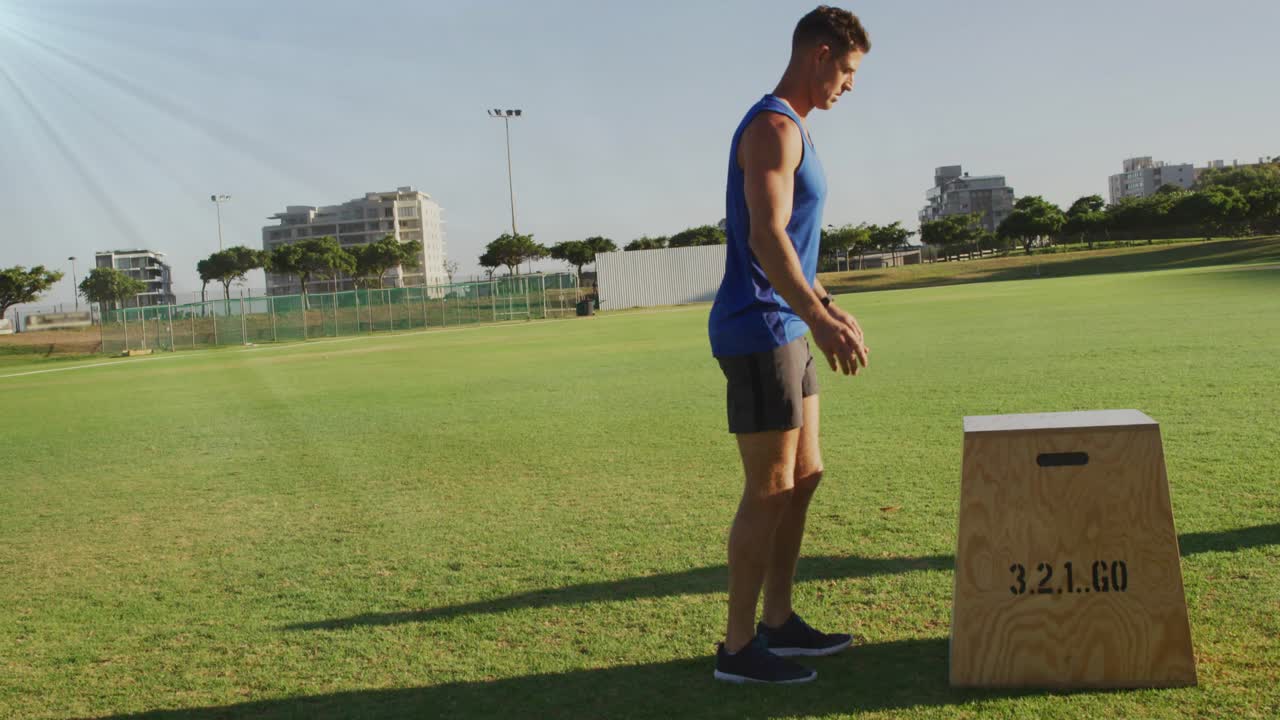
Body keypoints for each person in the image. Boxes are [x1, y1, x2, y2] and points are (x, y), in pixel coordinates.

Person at [707, 5, 871, 684]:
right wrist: (817, 317)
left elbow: (796, 253)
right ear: (821, 54)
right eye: (849, 70)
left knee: (805, 476)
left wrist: (825, 305)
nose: (851, 85)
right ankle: (738, 648)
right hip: (759, 327)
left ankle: (779, 622)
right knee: (769, 488)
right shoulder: (773, 127)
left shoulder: (795, 129)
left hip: (789, 323)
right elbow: (766, 237)